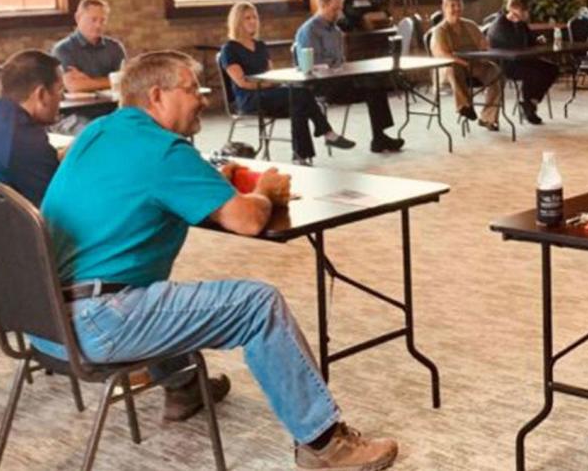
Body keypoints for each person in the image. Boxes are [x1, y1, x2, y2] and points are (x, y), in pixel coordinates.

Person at [33, 51, 399, 468]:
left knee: (155, 289)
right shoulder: (163, 150)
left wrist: (209, 183)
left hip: (45, 321)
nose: (203, 99)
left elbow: (141, 186)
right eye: (191, 90)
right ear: (156, 96)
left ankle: (184, 386)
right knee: (256, 305)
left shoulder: (97, 133)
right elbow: (246, 220)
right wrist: (264, 190)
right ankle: (324, 444)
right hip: (98, 324)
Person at [0, 50, 64, 300]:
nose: (61, 100)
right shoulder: (25, 137)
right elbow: (56, 209)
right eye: (59, 91)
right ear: (41, 95)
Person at [220, 2, 355, 165]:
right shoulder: (230, 49)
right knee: (300, 95)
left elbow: (270, 73)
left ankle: (300, 157)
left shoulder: (260, 46)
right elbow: (242, 82)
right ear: (237, 22)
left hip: (269, 92)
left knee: (298, 102)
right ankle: (326, 134)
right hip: (249, 97)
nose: (252, 21)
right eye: (247, 18)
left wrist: (272, 83)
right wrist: (269, 84)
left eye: (254, 17)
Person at [294, 0, 404, 153]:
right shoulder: (309, 30)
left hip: (339, 79)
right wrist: (335, 67)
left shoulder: (337, 31)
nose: (338, 13)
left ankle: (379, 137)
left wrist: (342, 67)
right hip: (321, 84)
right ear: (322, 5)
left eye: (340, 8)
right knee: (370, 85)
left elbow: (341, 60)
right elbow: (311, 64)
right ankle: (379, 138)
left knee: (375, 84)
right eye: (334, 9)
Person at [429, 0, 503, 130]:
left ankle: (488, 118)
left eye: (459, 5)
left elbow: (483, 44)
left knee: (495, 71)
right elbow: (443, 54)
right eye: (452, 5)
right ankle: (465, 106)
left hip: (473, 65)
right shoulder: (439, 30)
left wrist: (486, 46)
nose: (456, 9)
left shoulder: (470, 25)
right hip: (449, 70)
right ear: (444, 7)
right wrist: (464, 63)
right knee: (453, 67)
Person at [487, 0, 558, 125]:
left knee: (552, 69)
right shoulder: (500, 24)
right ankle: (528, 107)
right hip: (507, 64)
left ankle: (531, 102)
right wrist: (518, 25)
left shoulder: (522, 24)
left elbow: (529, 41)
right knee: (533, 73)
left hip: (523, 60)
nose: (526, 13)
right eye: (523, 10)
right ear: (513, 9)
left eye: (526, 10)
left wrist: (538, 40)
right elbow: (514, 45)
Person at [52, 0, 126, 93]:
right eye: (93, 19)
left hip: (112, 105)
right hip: (79, 107)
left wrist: (88, 81)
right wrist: (110, 81)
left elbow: (126, 82)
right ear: (78, 18)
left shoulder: (115, 47)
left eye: (103, 20)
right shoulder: (63, 50)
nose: (98, 25)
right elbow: (74, 86)